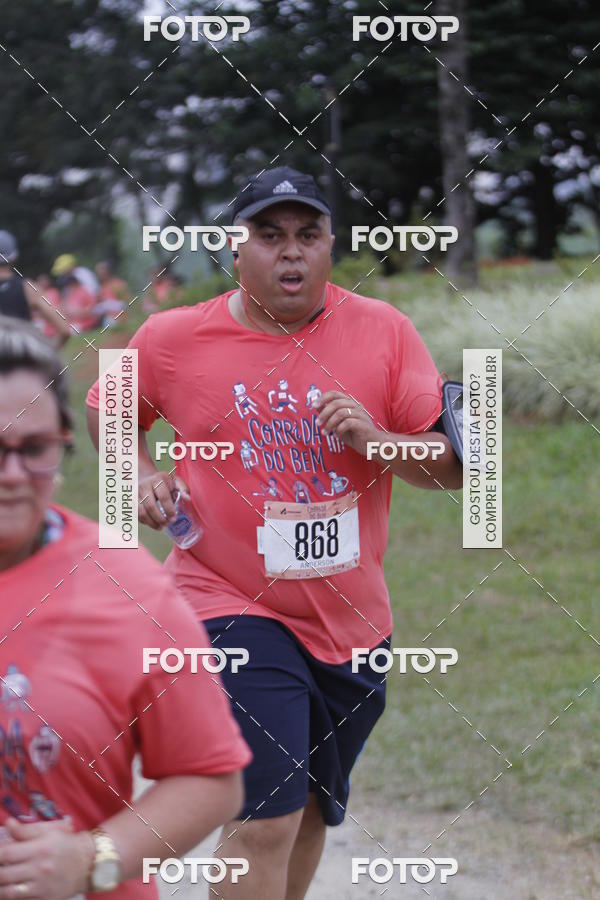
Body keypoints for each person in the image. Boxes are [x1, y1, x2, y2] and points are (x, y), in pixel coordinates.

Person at [86, 165, 463, 900]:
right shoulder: (172, 338)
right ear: (236, 250)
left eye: (307, 235)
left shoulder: (385, 331)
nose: (290, 253)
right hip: (223, 599)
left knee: (312, 810)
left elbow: (452, 468)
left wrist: (379, 440)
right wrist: (135, 480)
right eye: (269, 236)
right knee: (265, 816)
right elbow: (111, 412)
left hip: (352, 622)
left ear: (330, 246)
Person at [0, 317, 251, 897]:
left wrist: (92, 858)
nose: (13, 476)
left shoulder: (128, 587)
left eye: (34, 448)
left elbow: (212, 779)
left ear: (63, 445)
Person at [0, 232, 70, 346]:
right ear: (14, 256)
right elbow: (65, 329)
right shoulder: (27, 287)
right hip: (22, 358)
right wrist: (46, 356)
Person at [51, 255, 99, 333]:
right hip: (75, 317)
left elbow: (94, 297)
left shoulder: (83, 274)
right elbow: (66, 302)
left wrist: (80, 311)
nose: (62, 273)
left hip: (89, 312)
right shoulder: (67, 282)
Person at [94, 262, 129, 328]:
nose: (99, 274)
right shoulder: (102, 288)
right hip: (108, 319)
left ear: (107, 271)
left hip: (121, 317)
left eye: (101, 271)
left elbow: (127, 303)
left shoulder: (118, 284)